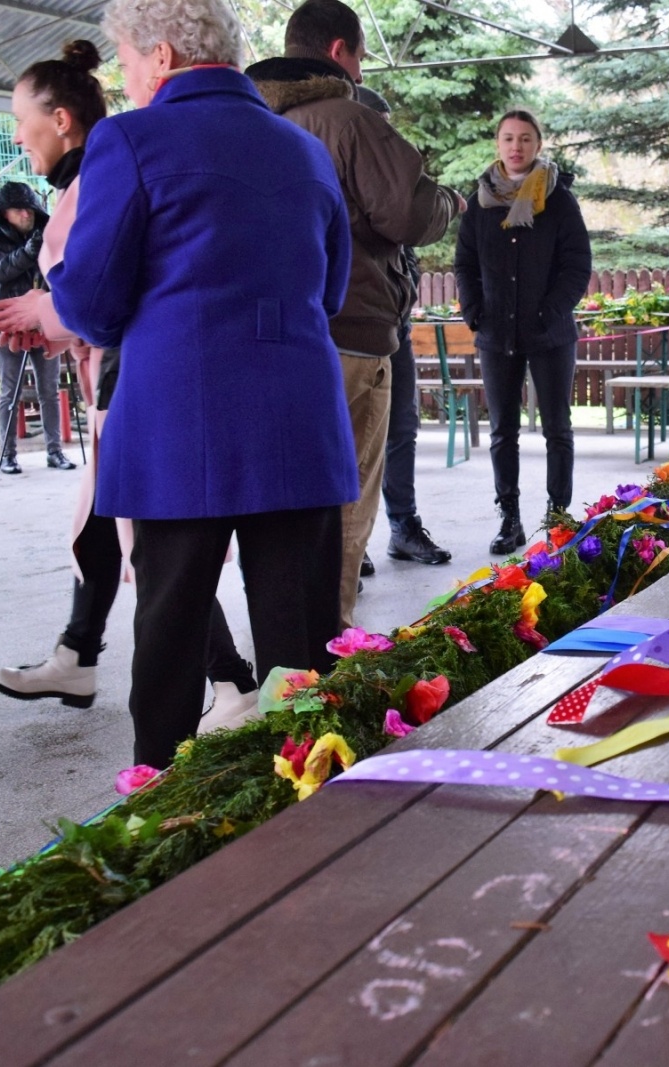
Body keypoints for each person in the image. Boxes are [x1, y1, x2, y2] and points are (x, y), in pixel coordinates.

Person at [46, 0, 358, 768]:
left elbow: (92, 304)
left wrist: (57, 289)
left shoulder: (129, 139)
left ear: (161, 56)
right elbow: (331, 292)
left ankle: (164, 806)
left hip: (182, 425)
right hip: (298, 418)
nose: (124, 79)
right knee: (301, 655)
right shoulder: (304, 149)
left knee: (172, 641)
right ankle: (311, 802)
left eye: (125, 60)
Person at [0, 40, 259, 731]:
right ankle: (78, 653)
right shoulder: (96, 174)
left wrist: (50, 314)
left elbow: (108, 291)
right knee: (109, 526)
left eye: (20, 119)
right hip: (129, 378)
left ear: (61, 119)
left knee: (153, 545)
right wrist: (51, 321)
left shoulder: (108, 170)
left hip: (138, 384)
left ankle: (230, 679)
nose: (17, 136)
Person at [246, 0, 462, 619]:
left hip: (265, 337)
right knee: (344, 498)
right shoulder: (348, 120)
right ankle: (327, 643)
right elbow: (410, 213)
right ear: (338, 50)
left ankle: (282, 642)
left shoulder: (249, 122)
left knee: (281, 501)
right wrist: (450, 202)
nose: (362, 73)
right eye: (361, 57)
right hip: (349, 330)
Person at [453, 109, 592, 555]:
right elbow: (465, 263)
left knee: (557, 429)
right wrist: (475, 312)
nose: (517, 146)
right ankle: (509, 519)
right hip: (496, 334)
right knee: (503, 431)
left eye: (525, 139)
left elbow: (577, 264)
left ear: (538, 145)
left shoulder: (559, 200)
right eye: (509, 138)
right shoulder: (480, 202)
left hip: (549, 333)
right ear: (498, 144)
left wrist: (550, 311)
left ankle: (558, 519)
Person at [352, 84, 451, 567]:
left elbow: (405, 250)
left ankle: (403, 526)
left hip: (397, 327)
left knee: (402, 429)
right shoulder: (348, 175)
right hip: (356, 329)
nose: (388, 138)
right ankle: (354, 543)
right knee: (355, 438)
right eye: (382, 127)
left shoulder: (391, 181)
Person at [0, 182, 74, 474]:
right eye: (18, 209)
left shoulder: (47, 234)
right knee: (10, 392)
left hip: (44, 324)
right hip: (10, 327)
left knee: (50, 391)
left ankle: (54, 451)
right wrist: (28, 252)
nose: (25, 213)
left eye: (29, 208)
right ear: (4, 214)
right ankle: (7, 455)